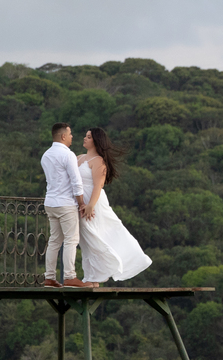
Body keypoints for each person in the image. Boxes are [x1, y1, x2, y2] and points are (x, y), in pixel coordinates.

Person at [76, 127, 151, 284]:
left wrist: (90, 205)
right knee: (86, 239)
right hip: (80, 202)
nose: (85, 138)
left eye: (88, 137)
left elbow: (98, 185)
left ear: (96, 141)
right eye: (86, 136)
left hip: (93, 203)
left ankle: (96, 277)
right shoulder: (79, 158)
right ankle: (91, 277)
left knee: (95, 235)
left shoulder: (98, 161)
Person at [40, 122, 92, 288]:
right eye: (70, 134)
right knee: (71, 240)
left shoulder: (46, 155)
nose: (72, 137)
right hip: (65, 204)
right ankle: (70, 276)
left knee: (54, 240)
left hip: (50, 202)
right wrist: (81, 203)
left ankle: (49, 277)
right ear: (63, 136)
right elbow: (76, 182)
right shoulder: (68, 155)